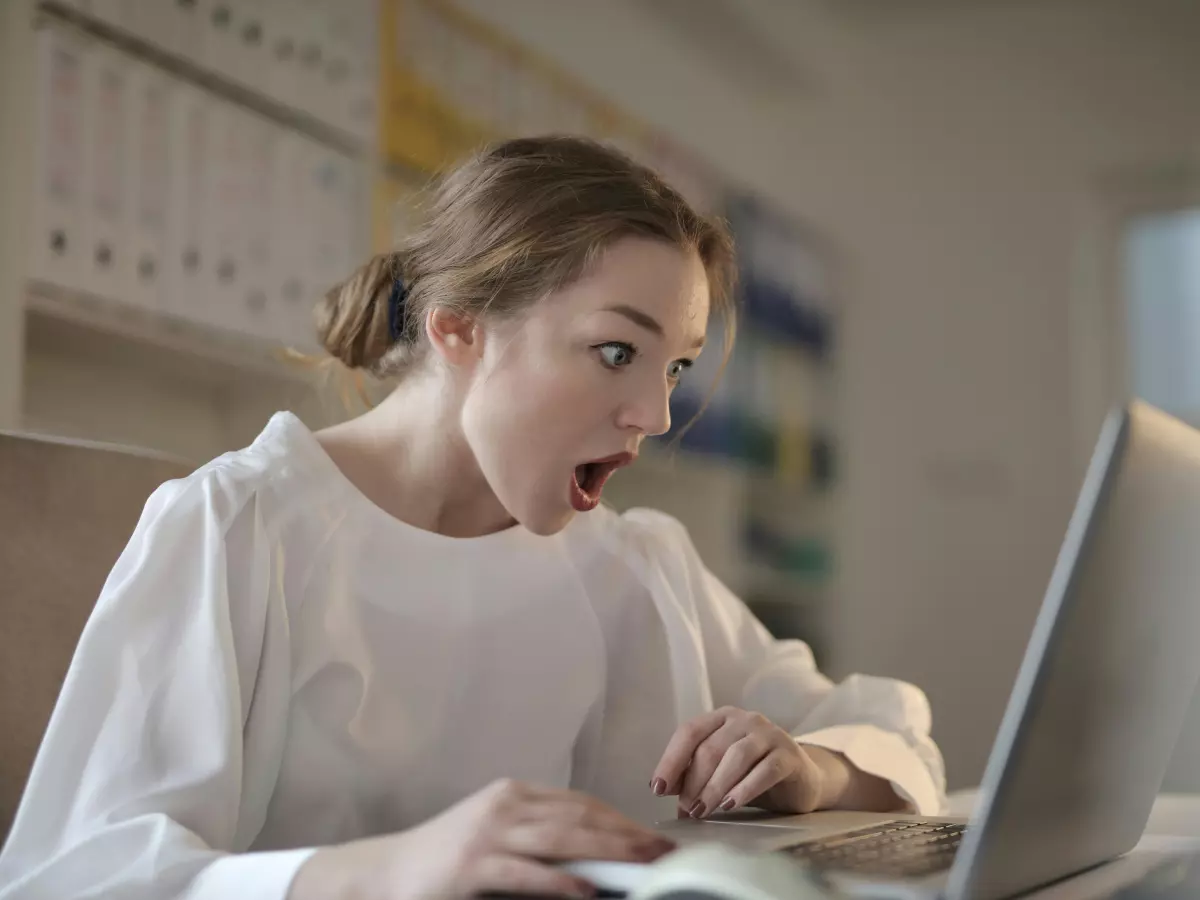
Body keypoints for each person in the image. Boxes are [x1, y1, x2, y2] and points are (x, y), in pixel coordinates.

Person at [0, 136, 944, 900]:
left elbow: (882, 732)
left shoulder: (635, 562)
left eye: (676, 368)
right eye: (617, 351)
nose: (654, 416)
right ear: (457, 327)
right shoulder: (241, 527)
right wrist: (384, 872)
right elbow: (74, 876)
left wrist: (811, 770)